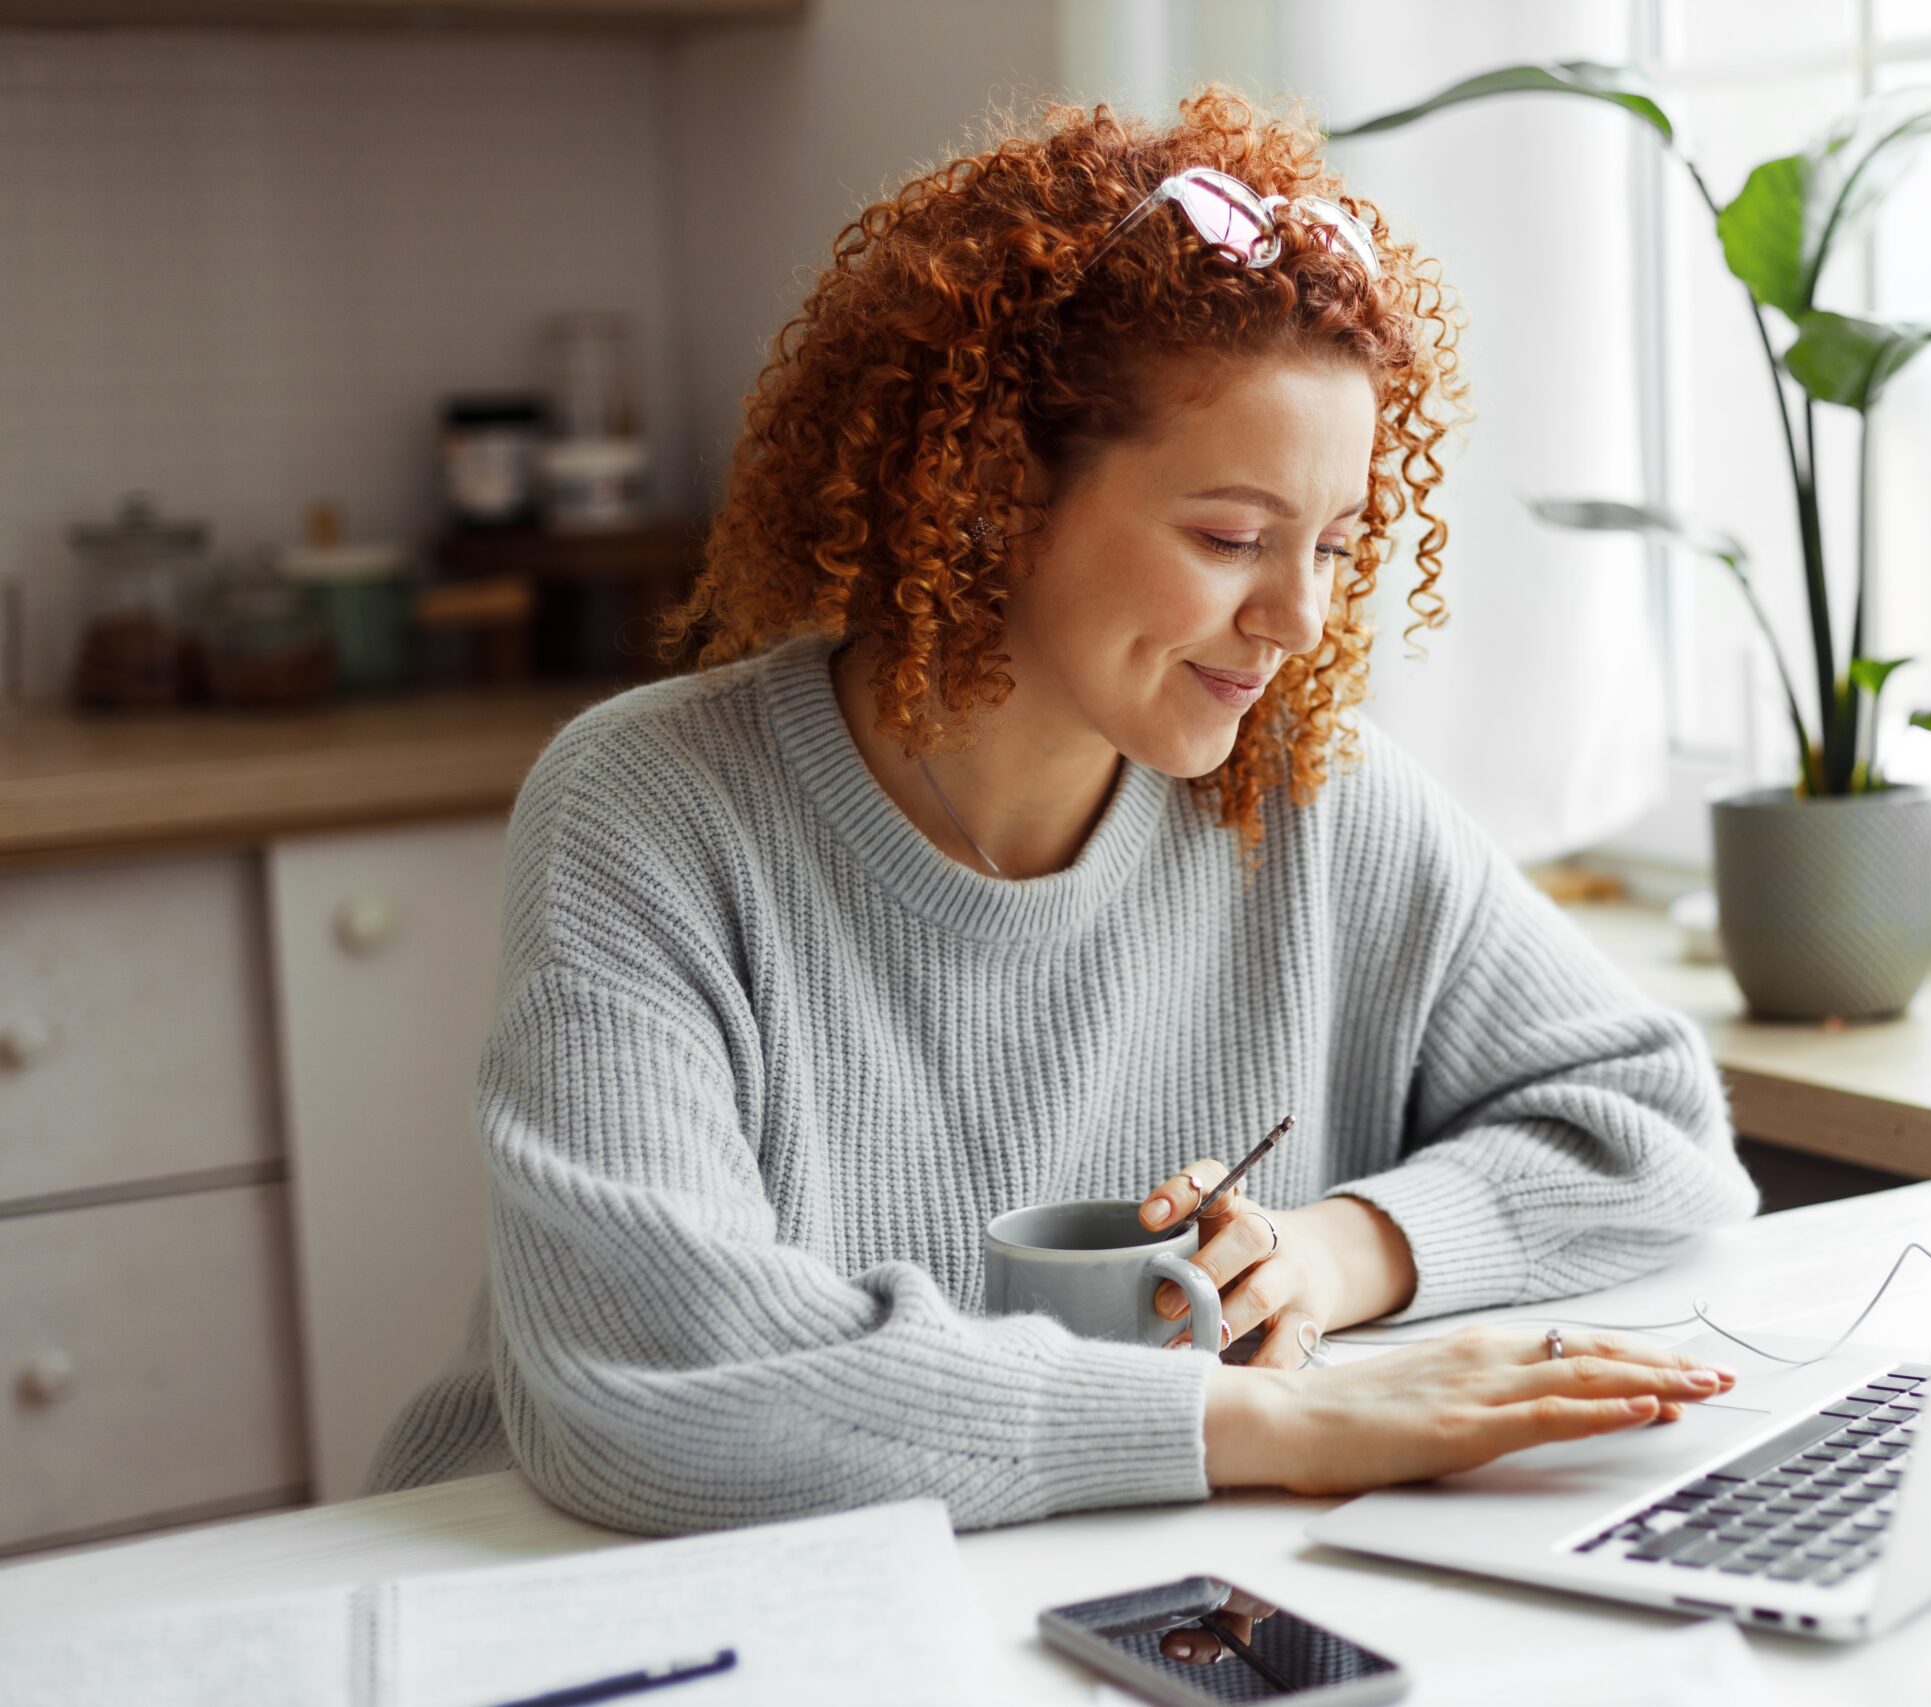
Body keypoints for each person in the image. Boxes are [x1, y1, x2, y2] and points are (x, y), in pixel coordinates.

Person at [367, 84, 1759, 1535]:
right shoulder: (651, 811)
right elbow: (654, 1381)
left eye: (1339, 545)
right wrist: (1266, 1420)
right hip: (561, 1591)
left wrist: (1336, 1256)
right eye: (1231, 537)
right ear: (989, 495)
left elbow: (1653, 1133)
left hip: (1059, 1579)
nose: (1297, 617)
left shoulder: (1310, 795)